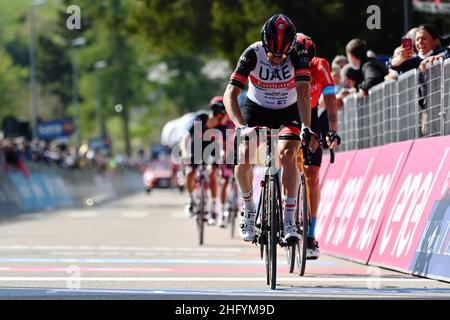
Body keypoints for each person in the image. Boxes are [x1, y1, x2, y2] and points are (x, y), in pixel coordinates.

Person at [223, 13, 318, 242]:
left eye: (281, 55)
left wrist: (306, 126)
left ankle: (288, 220)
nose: (277, 59)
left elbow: (304, 93)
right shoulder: (252, 53)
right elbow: (230, 94)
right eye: (273, 54)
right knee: (244, 156)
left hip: (289, 108)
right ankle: (248, 209)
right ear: (264, 44)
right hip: (257, 108)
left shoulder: (298, 52)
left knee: (288, 154)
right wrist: (240, 126)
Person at [296, 33, 341, 259]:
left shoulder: (320, 65)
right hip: (287, 114)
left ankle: (311, 234)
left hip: (311, 115)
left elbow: (331, 100)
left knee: (312, 175)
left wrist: (333, 129)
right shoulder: (284, 64)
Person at [181, 96, 228, 225]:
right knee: (190, 171)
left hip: (212, 149)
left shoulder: (221, 128)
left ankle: (213, 206)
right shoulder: (200, 118)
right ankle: (190, 200)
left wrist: (223, 154)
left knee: (212, 172)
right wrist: (185, 153)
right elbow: (186, 138)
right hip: (196, 148)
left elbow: (224, 146)